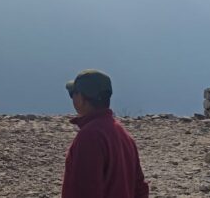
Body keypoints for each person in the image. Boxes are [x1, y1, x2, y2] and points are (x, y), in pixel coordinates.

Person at [62, 69, 149, 198]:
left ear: (80, 98)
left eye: (72, 94)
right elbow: (140, 189)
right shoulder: (123, 134)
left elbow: (85, 191)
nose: (72, 98)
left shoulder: (89, 136)